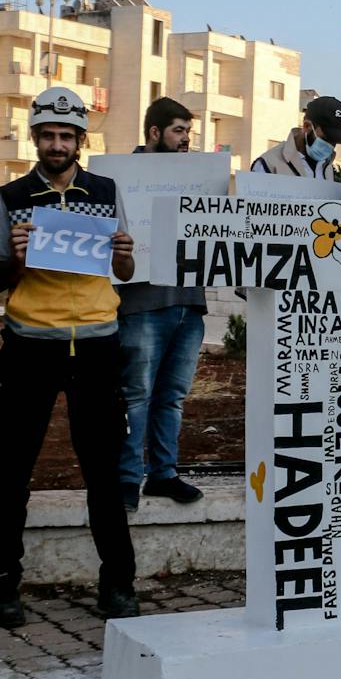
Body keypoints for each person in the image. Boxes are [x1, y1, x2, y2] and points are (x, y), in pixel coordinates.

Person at [0, 86, 140, 625]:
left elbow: (122, 272)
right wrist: (19, 261)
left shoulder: (105, 189)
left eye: (65, 136)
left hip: (96, 343)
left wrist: (125, 256)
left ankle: (118, 581)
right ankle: (3, 584)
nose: (56, 144)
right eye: (47, 135)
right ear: (35, 138)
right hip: (30, 344)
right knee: (14, 471)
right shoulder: (11, 196)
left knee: (103, 469)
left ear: (80, 140)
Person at [116, 97, 206, 512]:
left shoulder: (198, 178)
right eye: (178, 131)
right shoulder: (119, 178)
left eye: (189, 132)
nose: (186, 140)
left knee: (172, 396)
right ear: (154, 133)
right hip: (142, 304)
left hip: (189, 303)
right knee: (136, 395)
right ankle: (127, 478)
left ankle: (164, 474)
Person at [252, 95, 341, 183]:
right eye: (326, 138)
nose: (330, 146)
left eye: (335, 141)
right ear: (307, 126)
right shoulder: (269, 164)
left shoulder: (326, 166)